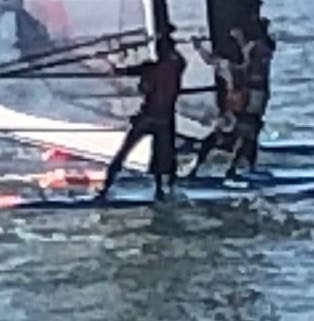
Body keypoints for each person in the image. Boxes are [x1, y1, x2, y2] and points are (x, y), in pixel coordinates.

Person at [101, 32, 185, 200]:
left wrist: (112, 66)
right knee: (162, 155)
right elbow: (179, 60)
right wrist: (168, 38)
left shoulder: (151, 69)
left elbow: (141, 86)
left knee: (124, 151)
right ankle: (161, 190)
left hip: (148, 116)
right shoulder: (176, 67)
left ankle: (106, 188)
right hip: (164, 120)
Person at [185, 28, 247, 178]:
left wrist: (199, 47)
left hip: (233, 106)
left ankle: (226, 168)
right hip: (235, 105)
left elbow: (211, 60)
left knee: (225, 138)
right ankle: (228, 168)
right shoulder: (233, 66)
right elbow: (210, 60)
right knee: (230, 137)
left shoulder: (229, 66)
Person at [231, 15, 275, 176]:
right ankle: (249, 163)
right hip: (261, 91)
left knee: (246, 127)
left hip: (253, 91)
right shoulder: (265, 47)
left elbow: (247, 65)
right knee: (252, 127)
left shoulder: (257, 47)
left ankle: (239, 163)